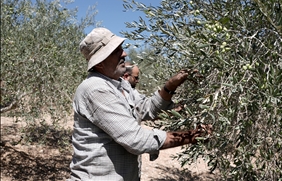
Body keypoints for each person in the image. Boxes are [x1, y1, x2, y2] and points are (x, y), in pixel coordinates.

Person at [69, 27, 209, 181]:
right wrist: (194, 136)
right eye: (116, 51)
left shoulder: (121, 84)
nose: (124, 54)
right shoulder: (96, 89)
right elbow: (136, 140)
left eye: (121, 48)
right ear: (100, 63)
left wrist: (170, 86)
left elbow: (146, 109)